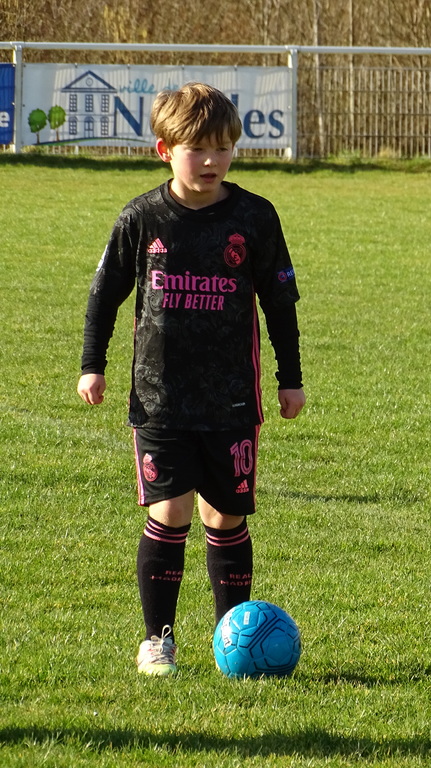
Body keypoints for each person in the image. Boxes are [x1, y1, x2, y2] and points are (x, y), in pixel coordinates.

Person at [76, 82, 305, 675]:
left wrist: (291, 377)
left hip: (232, 400)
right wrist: (92, 364)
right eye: (197, 149)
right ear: (164, 150)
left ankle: (234, 639)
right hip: (160, 400)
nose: (211, 161)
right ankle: (158, 639)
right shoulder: (142, 217)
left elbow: (280, 303)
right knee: (171, 513)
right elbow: (104, 296)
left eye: (223, 148)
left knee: (225, 517)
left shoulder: (255, 217)